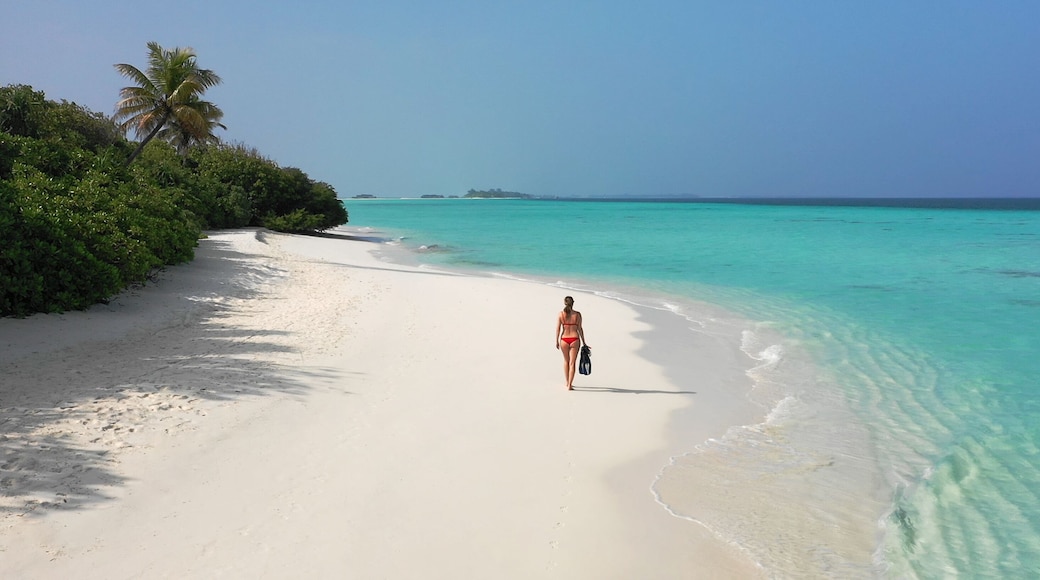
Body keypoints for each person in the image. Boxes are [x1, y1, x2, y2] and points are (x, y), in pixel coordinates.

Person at [555, 296, 588, 390]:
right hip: (575, 339)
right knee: (572, 363)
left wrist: (556, 340)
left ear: (565, 303)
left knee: (566, 361)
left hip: (564, 339)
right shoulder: (577, 315)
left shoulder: (560, 314)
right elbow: (580, 329)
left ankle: (567, 382)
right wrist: (584, 342)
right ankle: (570, 384)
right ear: (573, 303)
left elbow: (558, 329)